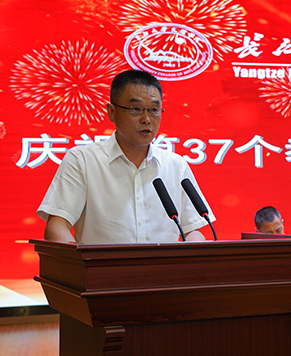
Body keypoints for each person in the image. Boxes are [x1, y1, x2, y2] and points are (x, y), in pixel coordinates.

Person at [38, 69, 214, 244]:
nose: (146, 119)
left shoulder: (176, 165)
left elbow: (193, 230)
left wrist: (196, 250)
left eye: (154, 110)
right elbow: (58, 224)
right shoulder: (82, 160)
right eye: (136, 109)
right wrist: (75, 258)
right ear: (112, 112)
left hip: (163, 264)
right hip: (99, 264)